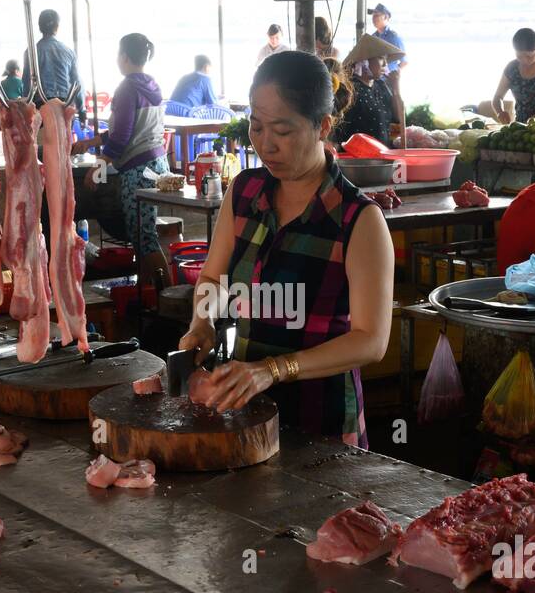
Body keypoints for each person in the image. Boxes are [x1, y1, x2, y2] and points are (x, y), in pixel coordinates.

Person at [177, 51, 394, 448]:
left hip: (324, 424)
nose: (265, 144)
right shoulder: (244, 193)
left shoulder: (358, 220)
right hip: (245, 412)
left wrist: (272, 370)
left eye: (282, 130)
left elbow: (371, 340)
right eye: (256, 128)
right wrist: (202, 323)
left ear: (321, 127)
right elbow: (212, 277)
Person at [71, 33, 171, 286]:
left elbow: (123, 136)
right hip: (157, 163)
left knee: (143, 236)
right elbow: (128, 129)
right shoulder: (151, 84)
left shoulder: (127, 88)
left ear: (124, 57)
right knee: (143, 233)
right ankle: (148, 292)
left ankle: (167, 294)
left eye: (118, 53)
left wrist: (100, 164)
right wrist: (92, 143)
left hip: (138, 169)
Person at [333, 35, 400, 147]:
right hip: (357, 158)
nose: (385, 64)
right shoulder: (349, 89)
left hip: (383, 154)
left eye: (386, 59)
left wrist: (396, 87)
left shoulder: (381, 86)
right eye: (381, 58)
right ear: (365, 62)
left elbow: (398, 118)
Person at [22, 9, 84, 116]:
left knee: (44, 133)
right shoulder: (68, 51)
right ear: (57, 27)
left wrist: (27, 109)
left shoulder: (31, 52)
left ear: (40, 27)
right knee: (66, 132)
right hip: (66, 103)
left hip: (41, 105)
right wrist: (81, 108)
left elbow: (27, 84)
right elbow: (77, 83)